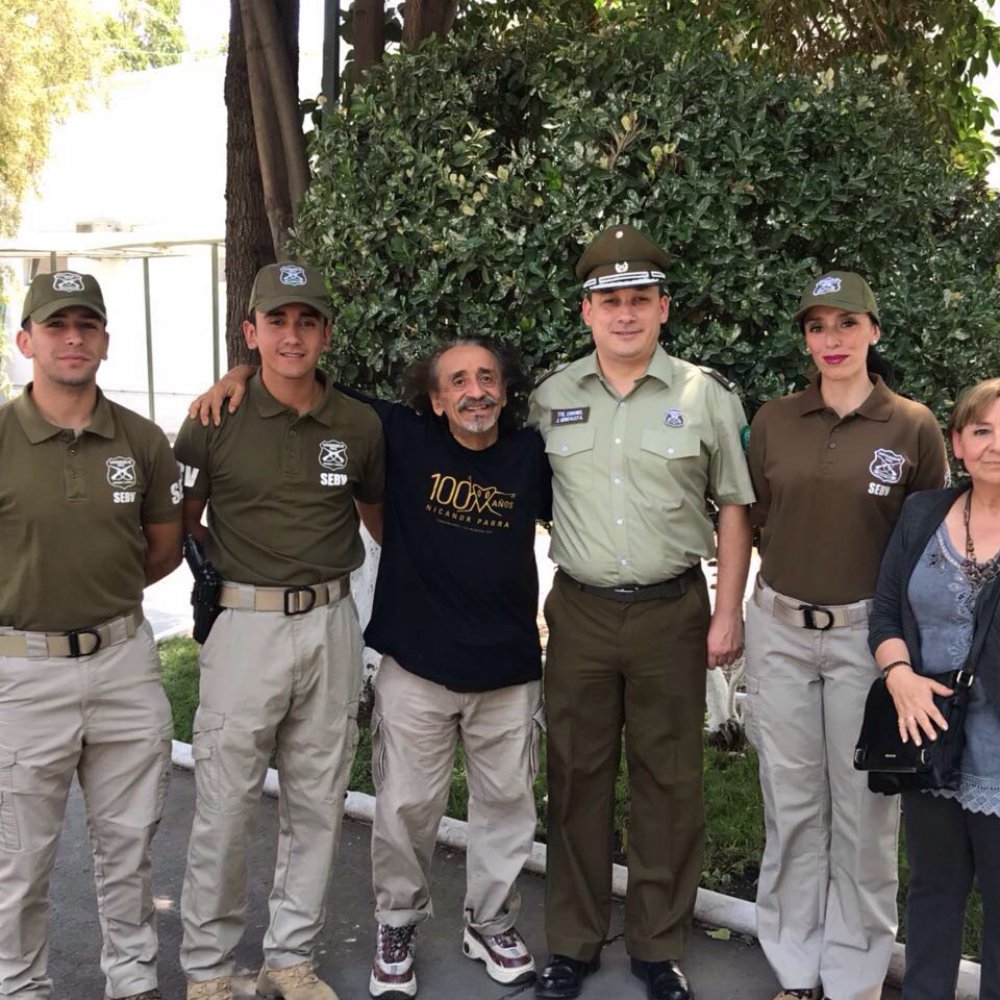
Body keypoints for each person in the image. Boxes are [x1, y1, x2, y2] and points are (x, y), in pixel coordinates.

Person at [190, 337, 551, 1000]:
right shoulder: (400, 433)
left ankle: (491, 922)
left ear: (504, 389)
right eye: (459, 381)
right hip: (416, 665)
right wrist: (239, 372)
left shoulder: (531, 455)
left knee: (507, 806)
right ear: (435, 398)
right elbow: (301, 378)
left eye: (488, 378)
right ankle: (395, 926)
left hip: (508, 668)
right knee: (406, 808)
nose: (476, 390)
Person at [528, 224, 755, 1000]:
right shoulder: (550, 396)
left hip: (672, 611)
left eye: (639, 300)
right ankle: (573, 942)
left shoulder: (705, 395)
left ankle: (659, 947)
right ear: (586, 312)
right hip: (582, 611)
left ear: (663, 308)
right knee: (576, 778)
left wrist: (728, 613)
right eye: (608, 300)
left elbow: (733, 506)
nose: (625, 314)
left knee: (668, 782)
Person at [174, 262, 385, 1000]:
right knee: (225, 805)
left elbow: (378, 516)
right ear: (251, 331)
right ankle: (209, 966)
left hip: (330, 624)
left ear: (326, 331)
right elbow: (181, 522)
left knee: (317, 799)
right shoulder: (214, 419)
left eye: (306, 321)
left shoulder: (358, 425)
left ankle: (290, 955)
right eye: (277, 321)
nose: (291, 335)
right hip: (245, 626)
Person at [744, 271, 948, 1000]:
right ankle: (795, 968)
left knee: (864, 809)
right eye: (817, 327)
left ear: (873, 331)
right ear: (806, 338)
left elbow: (929, 541)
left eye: (846, 324)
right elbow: (751, 516)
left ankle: (856, 973)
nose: (831, 340)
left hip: (869, 637)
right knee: (792, 805)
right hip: (781, 628)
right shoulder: (772, 419)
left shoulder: (912, 425)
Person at [0, 271, 182, 1000]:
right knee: (22, 858)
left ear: (105, 340)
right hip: (23, 674)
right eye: (56, 325)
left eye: (87, 325)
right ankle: (20, 986)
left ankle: (132, 983)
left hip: (123, 665)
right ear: (26, 340)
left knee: (129, 848)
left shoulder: (140, 440)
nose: (72, 338)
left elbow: (163, 549)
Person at [869, 377, 1000, 1000]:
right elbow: (887, 611)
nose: (996, 446)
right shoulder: (923, 512)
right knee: (932, 894)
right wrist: (899, 678)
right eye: (982, 430)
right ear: (957, 441)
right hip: (928, 736)